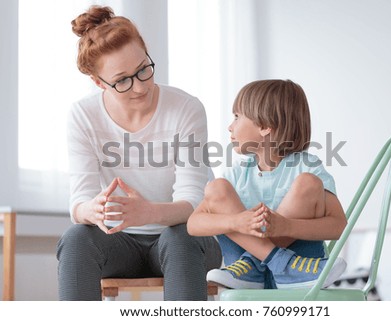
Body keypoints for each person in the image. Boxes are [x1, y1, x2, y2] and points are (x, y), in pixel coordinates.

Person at [56, 5, 221, 301]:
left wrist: (150, 212)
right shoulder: (83, 115)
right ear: (98, 82)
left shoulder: (186, 108)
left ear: (147, 54)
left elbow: (194, 202)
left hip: (182, 241)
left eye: (143, 69)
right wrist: (90, 210)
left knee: (180, 236)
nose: (140, 87)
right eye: (122, 80)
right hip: (119, 245)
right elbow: (78, 203)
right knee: (77, 238)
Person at [187, 79, 347, 289]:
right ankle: (274, 264)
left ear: (264, 126)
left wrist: (287, 226)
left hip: (301, 276)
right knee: (217, 187)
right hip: (249, 277)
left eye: (237, 117)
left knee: (307, 183)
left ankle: (256, 263)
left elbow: (339, 227)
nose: (230, 126)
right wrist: (237, 222)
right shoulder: (236, 174)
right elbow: (193, 224)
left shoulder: (308, 169)